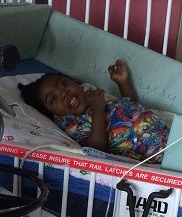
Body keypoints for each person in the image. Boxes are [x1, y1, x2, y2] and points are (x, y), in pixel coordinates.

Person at [18, 59, 171, 163]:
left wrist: (123, 83)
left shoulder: (95, 99)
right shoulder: (71, 122)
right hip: (156, 152)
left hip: (168, 134)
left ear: (77, 84)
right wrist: (98, 110)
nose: (63, 92)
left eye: (63, 83)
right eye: (53, 99)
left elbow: (133, 110)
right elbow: (95, 148)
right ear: (53, 114)